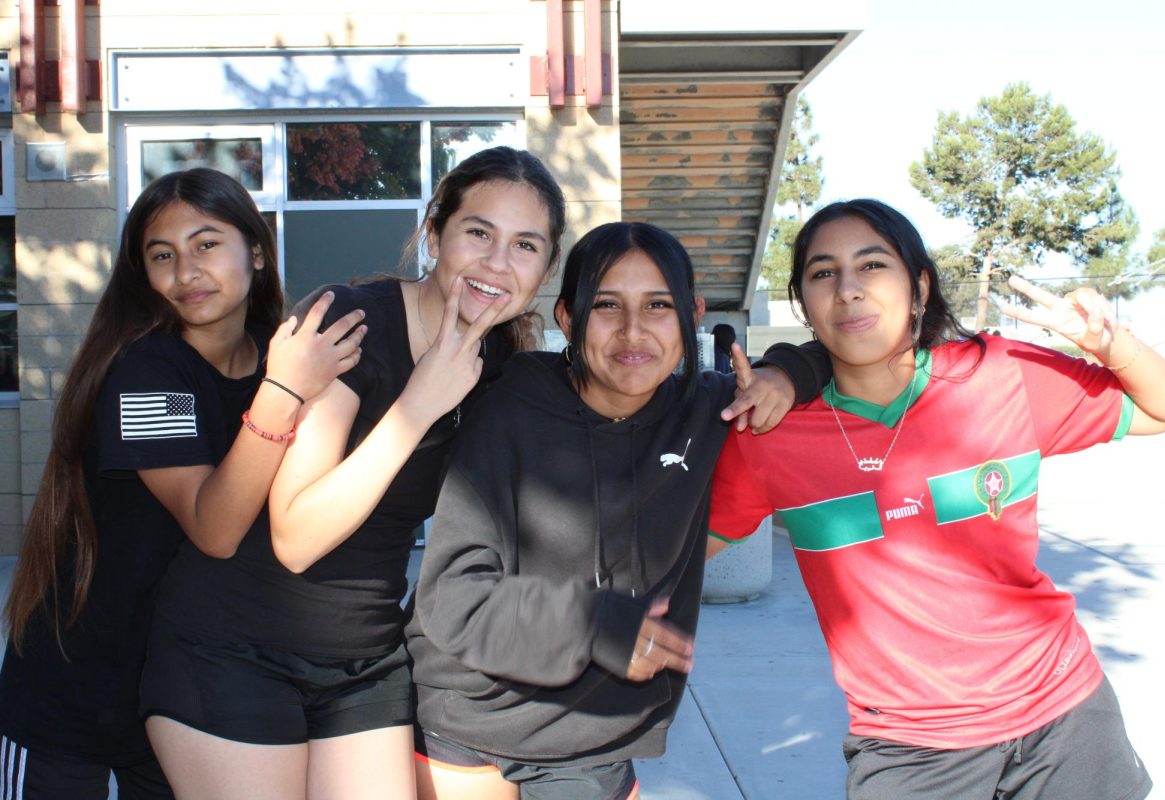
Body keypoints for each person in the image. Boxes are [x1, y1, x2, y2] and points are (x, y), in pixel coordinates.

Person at [708, 199, 1165, 800]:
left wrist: (1109, 342)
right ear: (805, 303)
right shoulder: (770, 433)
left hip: (1067, 720)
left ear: (918, 288)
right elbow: (678, 552)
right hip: (910, 752)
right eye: (823, 272)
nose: (849, 290)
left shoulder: (1002, 376)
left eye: (872, 266)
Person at [138, 146, 566, 800]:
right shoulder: (350, 322)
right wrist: (419, 403)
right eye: (478, 233)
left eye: (525, 245)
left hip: (365, 662)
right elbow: (297, 534)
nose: (497, 264)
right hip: (234, 646)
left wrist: (782, 371)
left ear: (546, 268)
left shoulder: (501, 368)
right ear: (433, 235)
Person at [405, 221, 831, 800]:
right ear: (568, 319)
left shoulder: (711, 410)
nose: (634, 331)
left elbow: (835, 351)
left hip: (593, 734)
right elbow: (451, 594)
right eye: (607, 305)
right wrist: (591, 623)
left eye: (658, 305)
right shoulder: (507, 408)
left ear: (692, 314)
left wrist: (789, 371)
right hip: (468, 715)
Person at [0, 168, 365, 799]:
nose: (185, 272)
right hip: (73, 694)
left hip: (183, 694)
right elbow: (214, 527)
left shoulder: (268, 355)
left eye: (206, 244)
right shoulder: (148, 373)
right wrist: (284, 392)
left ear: (255, 249)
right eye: (161, 255)